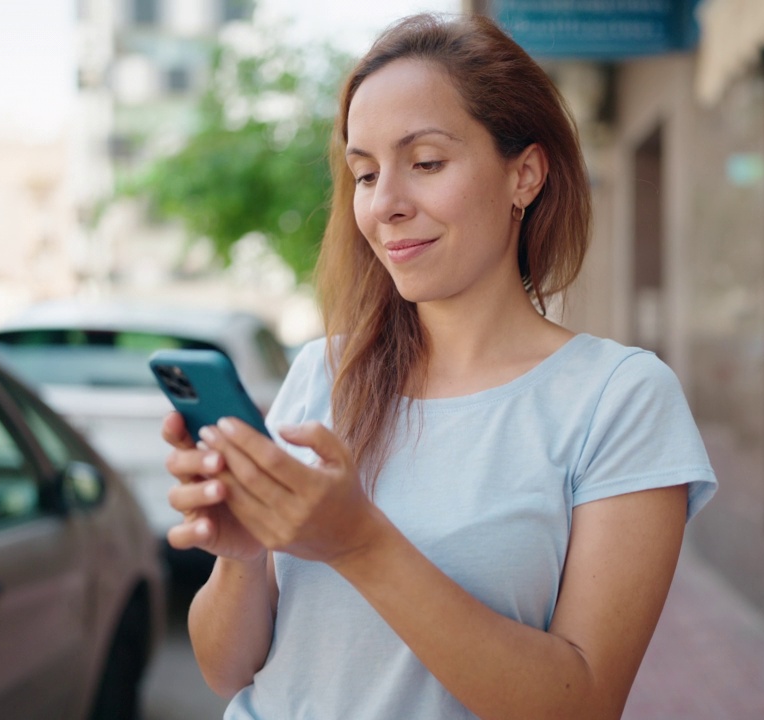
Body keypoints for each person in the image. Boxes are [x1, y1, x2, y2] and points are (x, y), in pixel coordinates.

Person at [161, 13, 717, 720]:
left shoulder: (620, 399)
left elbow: (583, 704)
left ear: (525, 174)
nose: (385, 205)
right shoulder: (322, 373)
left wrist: (357, 541)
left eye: (425, 163)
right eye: (365, 173)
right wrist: (242, 555)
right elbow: (224, 670)